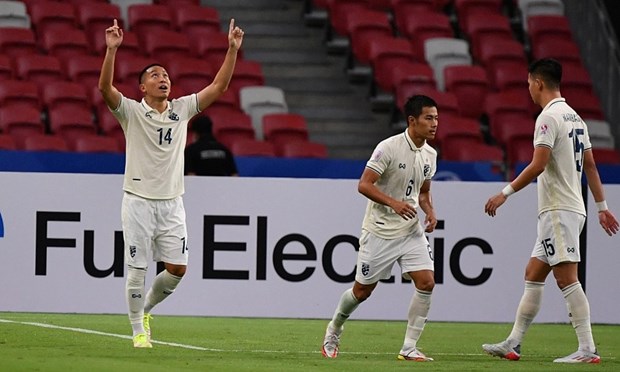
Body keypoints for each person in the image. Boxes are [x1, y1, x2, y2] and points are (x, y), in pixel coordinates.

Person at [98, 18, 244, 348]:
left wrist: (232, 51)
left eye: (165, 75)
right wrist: (111, 51)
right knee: (136, 268)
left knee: (177, 269)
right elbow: (105, 90)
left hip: (171, 202)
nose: (162, 79)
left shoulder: (182, 109)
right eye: (154, 75)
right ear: (143, 88)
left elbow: (218, 88)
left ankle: (146, 309)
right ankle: (137, 331)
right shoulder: (131, 113)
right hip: (137, 200)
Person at [482, 58, 619, 363]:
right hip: (570, 208)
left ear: (538, 82)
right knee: (533, 273)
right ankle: (513, 343)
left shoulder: (548, 118)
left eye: (529, 83)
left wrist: (505, 193)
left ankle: (587, 348)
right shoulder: (576, 118)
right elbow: (592, 166)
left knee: (567, 278)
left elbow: (538, 164)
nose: (528, 88)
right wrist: (601, 207)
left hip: (559, 209)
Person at [321, 95, 439, 361]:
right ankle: (335, 327)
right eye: (428, 118)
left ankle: (409, 347)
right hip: (380, 230)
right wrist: (394, 203)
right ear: (412, 120)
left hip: (410, 231)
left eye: (436, 118)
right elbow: (364, 184)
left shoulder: (431, 154)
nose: (434, 124)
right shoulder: (388, 148)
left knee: (427, 281)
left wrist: (430, 211)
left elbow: (423, 192)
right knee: (362, 291)